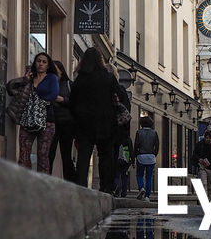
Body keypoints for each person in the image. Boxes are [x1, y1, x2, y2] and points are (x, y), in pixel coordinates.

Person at [70, 46, 130, 192]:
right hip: (105, 123)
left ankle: (81, 188)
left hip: (84, 124)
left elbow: (72, 102)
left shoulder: (79, 80)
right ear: (100, 61)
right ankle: (106, 189)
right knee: (105, 158)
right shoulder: (108, 78)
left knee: (83, 157)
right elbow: (119, 95)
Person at [7, 52, 58, 173]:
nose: (40, 64)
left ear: (48, 65)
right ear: (34, 63)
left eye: (44, 62)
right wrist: (25, 79)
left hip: (46, 121)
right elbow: (11, 88)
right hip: (27, 119)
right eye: (38, 61)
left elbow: (53, 94)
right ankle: (25, 181)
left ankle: (42, 183)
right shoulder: (28, 79)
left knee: (43, 155)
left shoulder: (51, 78)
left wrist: (38, 94)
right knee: (24, 152)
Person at [48, 59, 76, 181]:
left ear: (61, 70)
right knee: (49, 153)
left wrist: (63, 100)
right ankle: (46, 179)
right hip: (51, 121)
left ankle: (69, 181)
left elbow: (76, 102)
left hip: (66, 123)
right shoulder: (48, 83)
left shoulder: (69, 84)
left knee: (66, 155)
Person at [190, 131, 211, 198]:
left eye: (210, 138)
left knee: (210, 186)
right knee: (204, 183)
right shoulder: (199, 145)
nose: (208, 140)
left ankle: (208, 199)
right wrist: (199, 159)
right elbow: (194, 154)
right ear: (204, 137)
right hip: (202, 167)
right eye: (207, 138)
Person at [133, 114, 160, 198]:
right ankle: (147, 196)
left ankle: (141, 187)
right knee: (149, 177)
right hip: (151, 157)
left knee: (139, 174)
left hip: (141, 156)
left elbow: (136, 145)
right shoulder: (154, 133)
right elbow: (157, 145)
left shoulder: (139, 132)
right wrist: (154, 154)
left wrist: (135, 155)